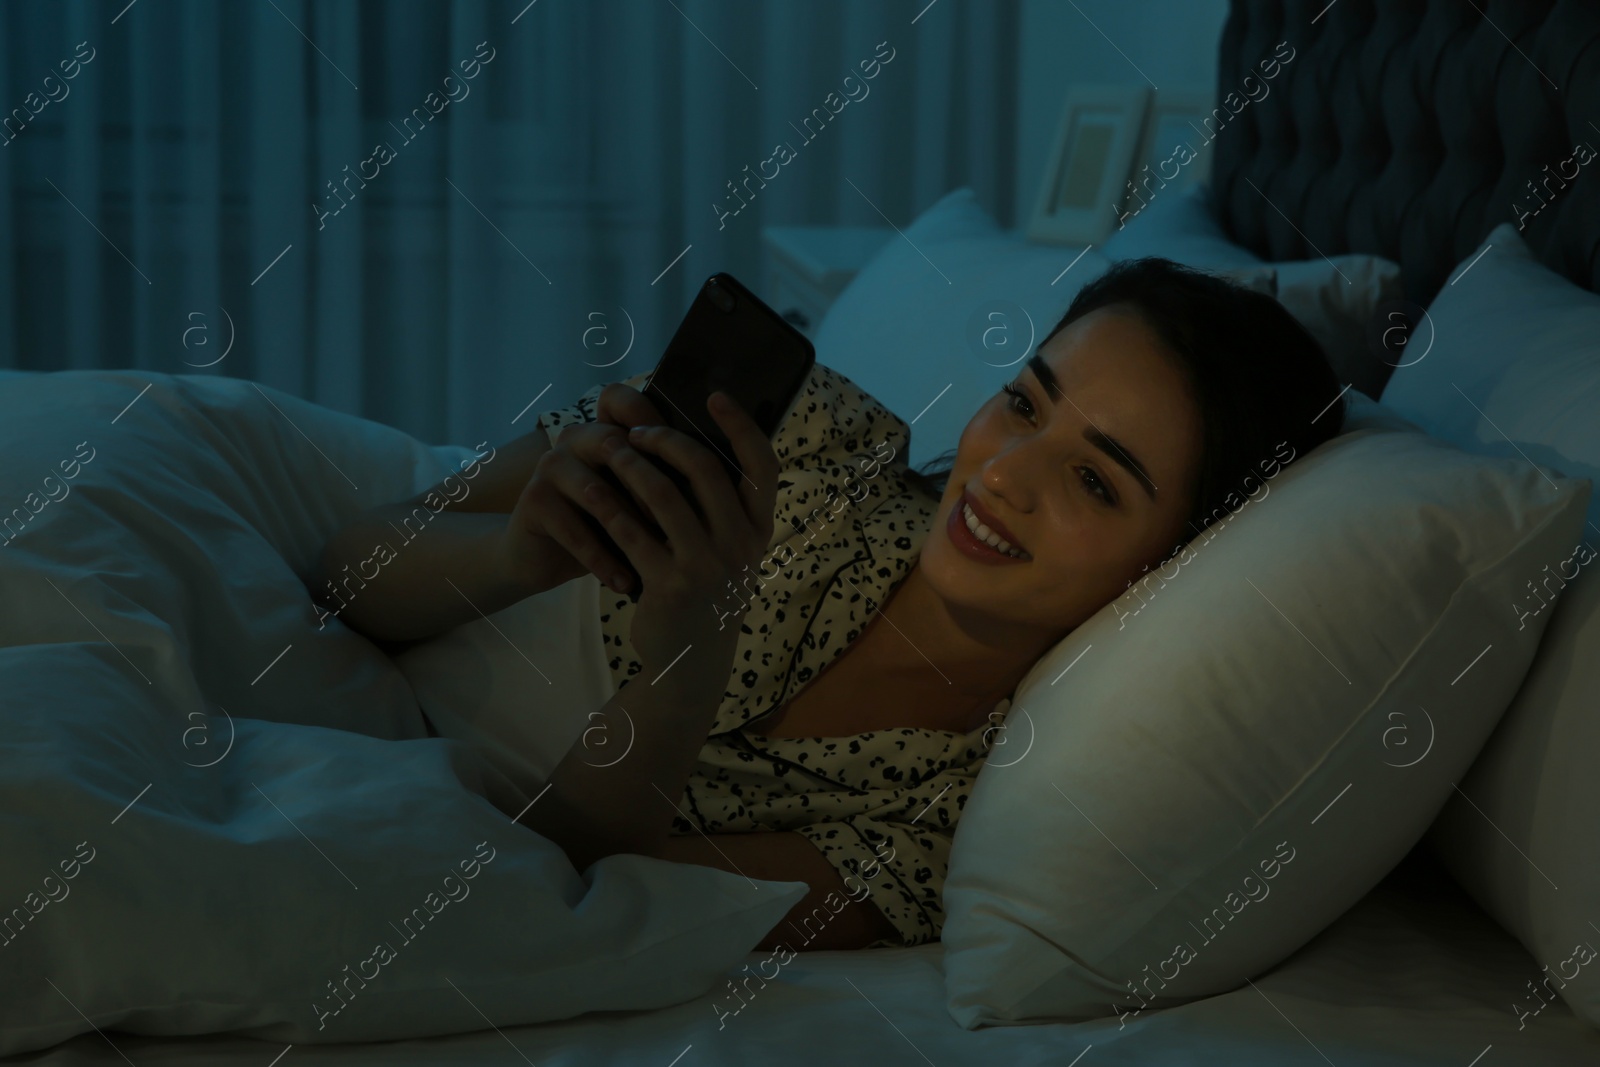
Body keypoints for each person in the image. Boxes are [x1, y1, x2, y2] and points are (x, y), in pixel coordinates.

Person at [315, 257, 1346, 952]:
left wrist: (687, 657)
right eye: (1025, 402)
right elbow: (343, 568)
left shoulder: (964, 820)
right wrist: (514, 554)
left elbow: (571, 887)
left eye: (1095, 481)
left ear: (1178, 566)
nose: (1002, 473)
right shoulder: (810, 438)